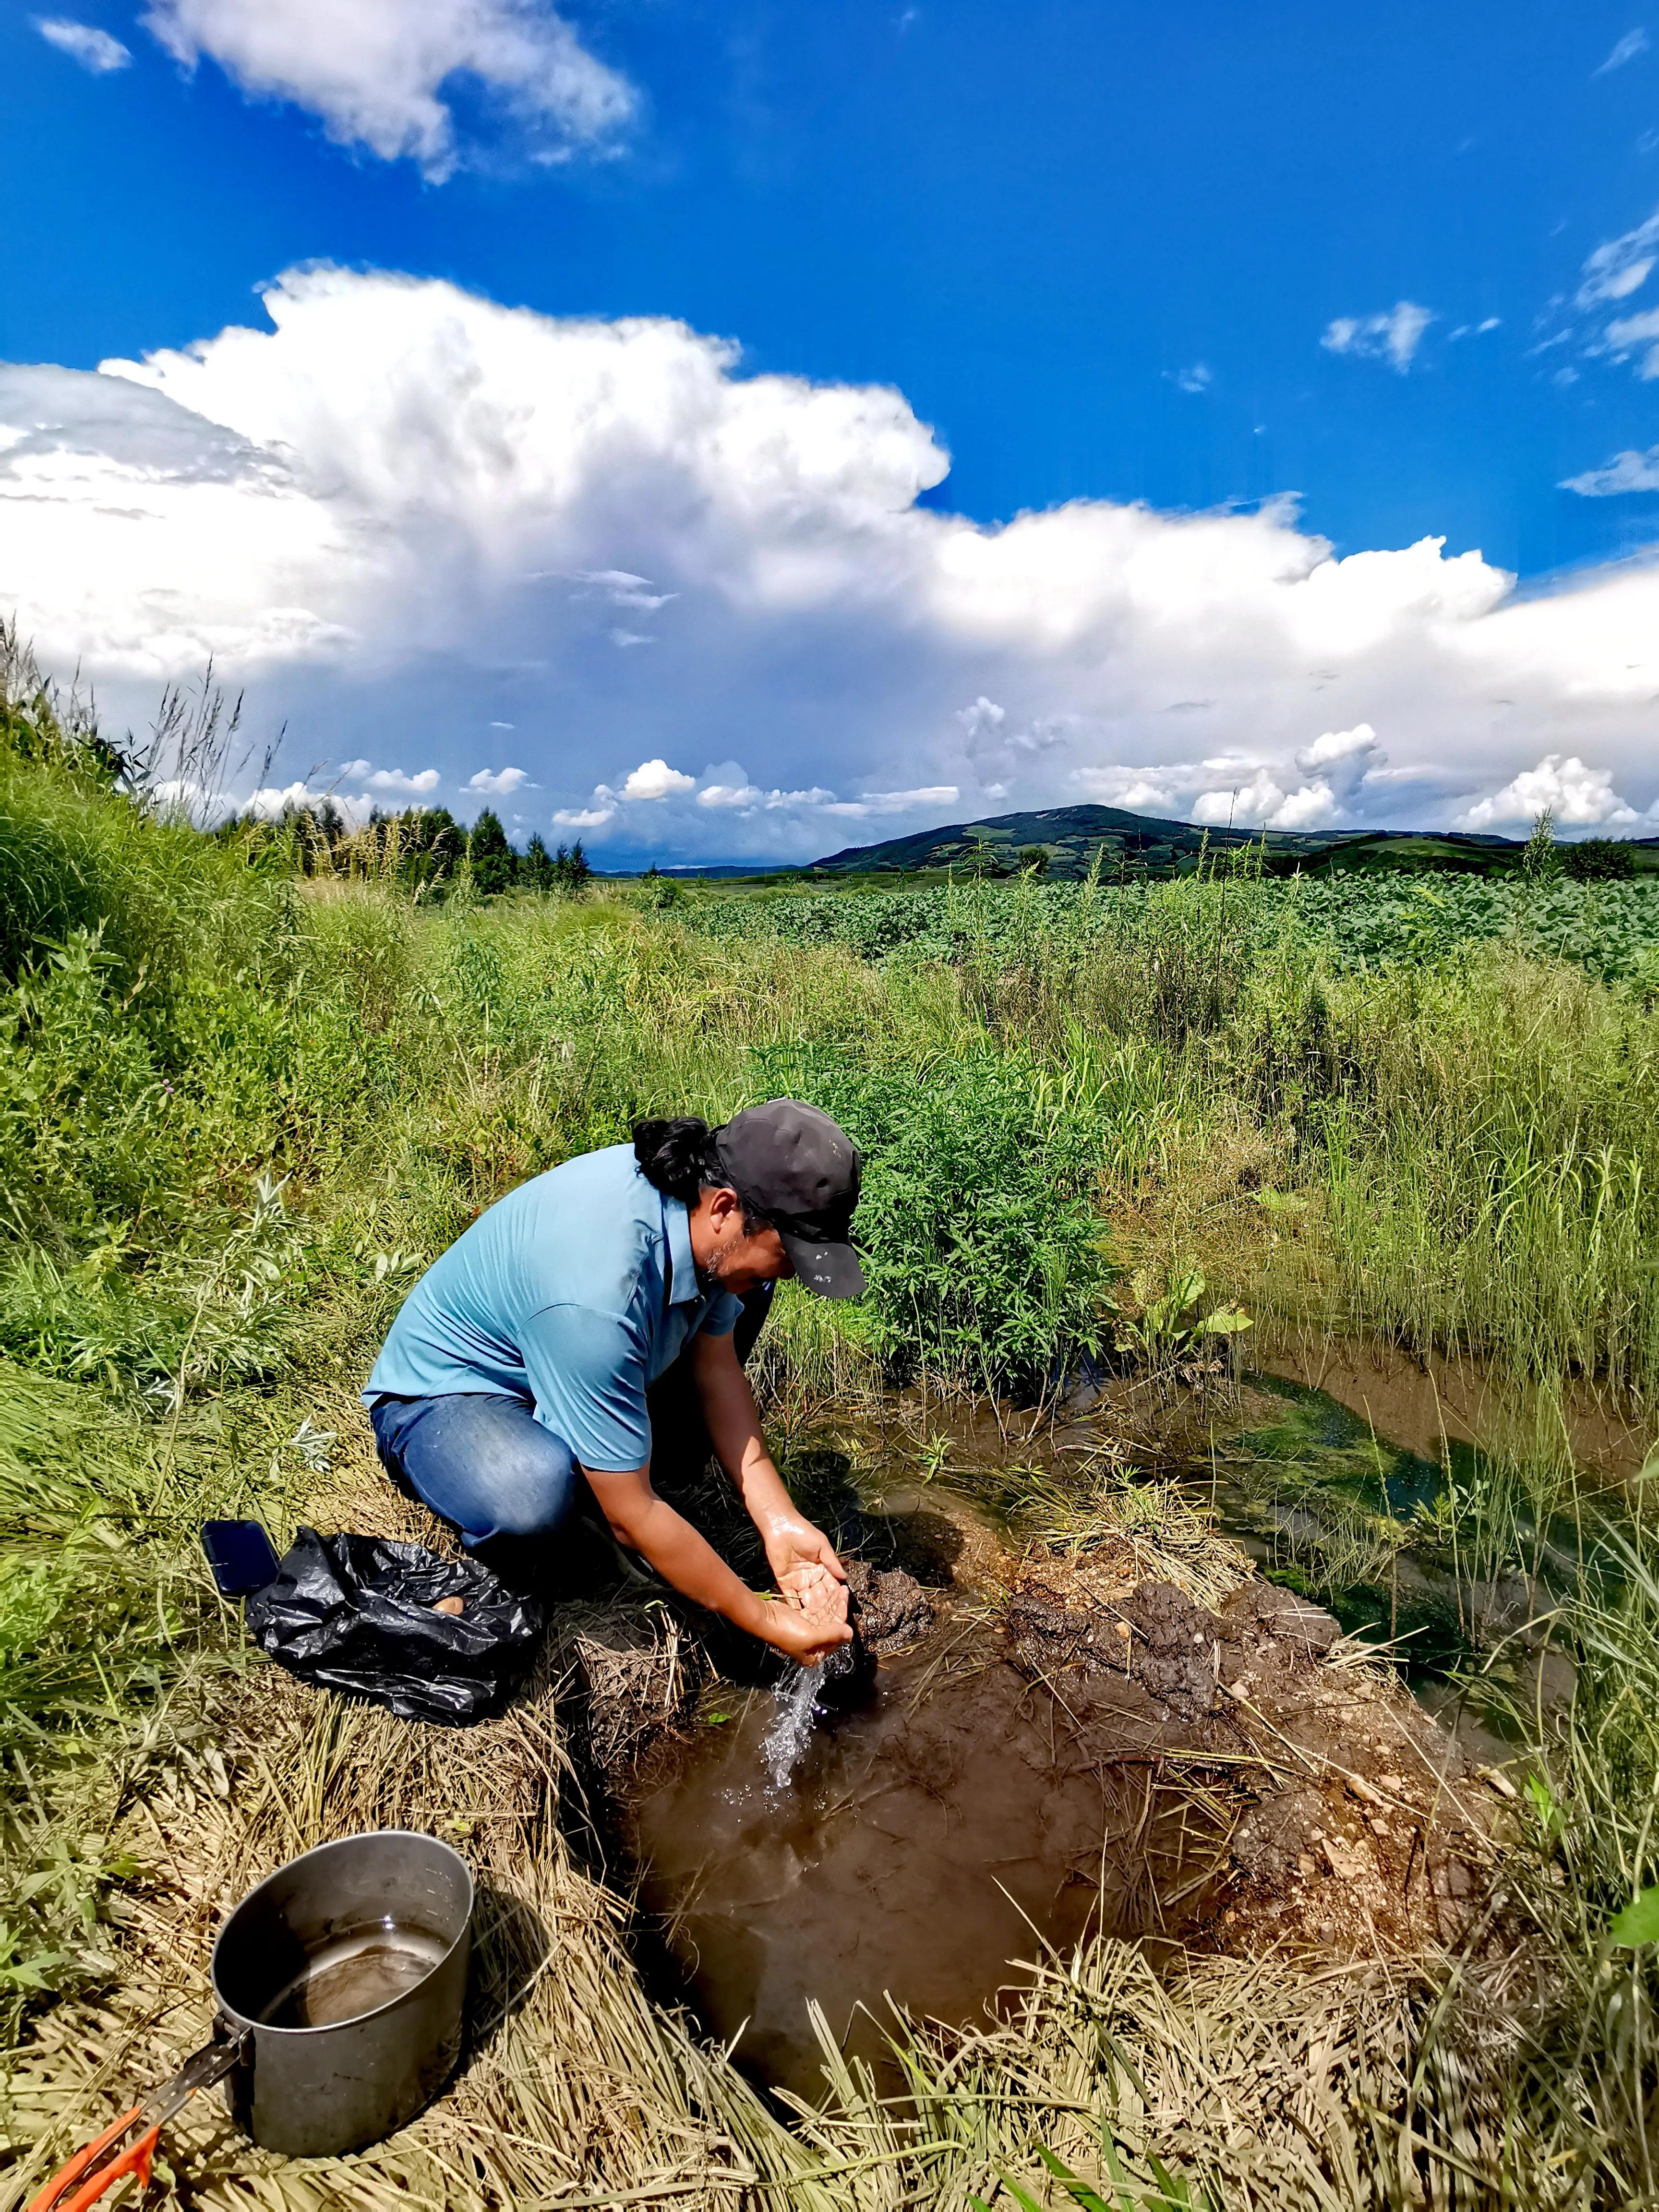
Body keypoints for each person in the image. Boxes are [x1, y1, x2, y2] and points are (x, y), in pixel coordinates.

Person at [363, 1099, 861, 1660]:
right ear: (725, 1208)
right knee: (532, 1496)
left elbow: (716, 1365)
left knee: (751, 1282)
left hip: (570, 1357)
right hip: (446, 1397)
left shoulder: (700, 1216)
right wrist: (764, 1617)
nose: (793, 1272)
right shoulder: (601, 1294)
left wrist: (780, 1520)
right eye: (788, 1253)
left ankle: (610, 1462)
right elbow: (633, 1515)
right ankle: (585, 1496)